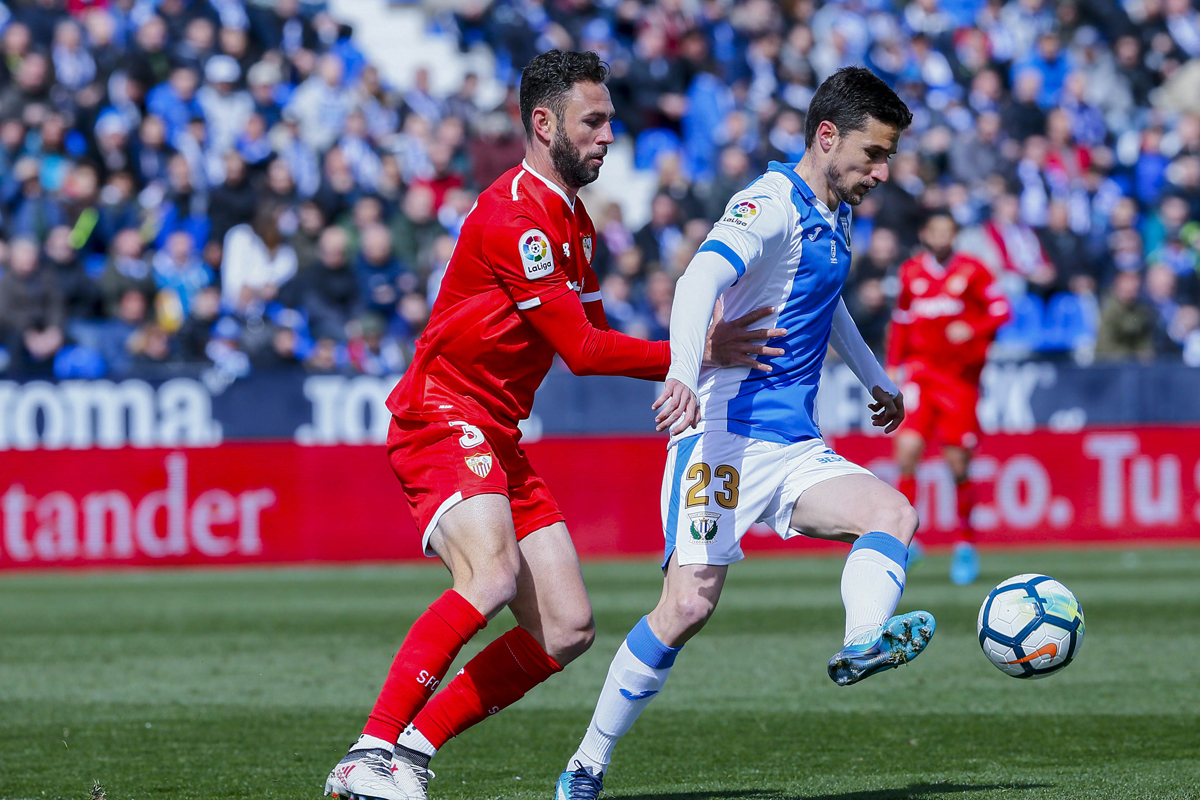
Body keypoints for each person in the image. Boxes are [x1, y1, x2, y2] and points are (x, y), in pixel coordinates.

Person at [322, 50, 781, 800]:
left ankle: (411, 753)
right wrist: (691, 353)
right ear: (544, 124)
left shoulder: (573, 221)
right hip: (442, 412)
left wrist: (686, 362)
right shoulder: (515, 219)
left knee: (567, 626)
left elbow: (594, 339)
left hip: (497, 429)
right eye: (593, 121)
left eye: (609, 120)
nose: (608, 136)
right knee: (493, 575)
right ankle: (368, 751)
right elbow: (585, 349)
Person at [555, 67, 933, 800]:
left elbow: (827, 304)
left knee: (893, 513)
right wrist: (684, 378)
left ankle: (861, 644)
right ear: (827, 138)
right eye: (874, 154)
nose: (881, 172)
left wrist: (875, 379)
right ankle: (586, 763)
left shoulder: (837, 210)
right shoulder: (769, 203)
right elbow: (699, 279)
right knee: (687, 606)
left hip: (790, 444)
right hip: (722, 431)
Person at [887, 210, 1011, 585]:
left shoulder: (973, 270)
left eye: (948, 231)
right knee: (906, 452)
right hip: (922, 377)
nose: (941, 237)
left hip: (959, 382)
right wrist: (894, 365)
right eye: (934, 230)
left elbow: (1002, 311)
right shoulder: (911, 272)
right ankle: (908, 542)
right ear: (925, 233)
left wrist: (971, 328)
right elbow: (901, 321)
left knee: (958, 464)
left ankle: (965, 545)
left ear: (955, 235)